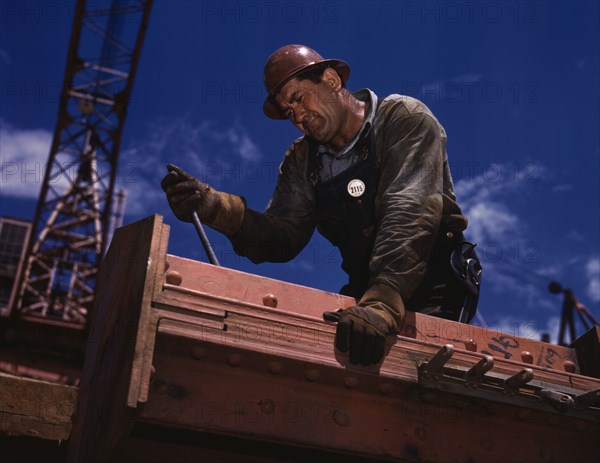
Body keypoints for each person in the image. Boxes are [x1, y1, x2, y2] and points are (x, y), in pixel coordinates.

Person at [161, 44, 482, 366]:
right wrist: (214, 208)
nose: (298, 116)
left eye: (298, 98)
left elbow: (409, 207)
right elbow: (283, 235)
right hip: (366, 295)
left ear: (330, 80)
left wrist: (384, 301)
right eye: (288, 112)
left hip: (431, 289)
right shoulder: (303, 160)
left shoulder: (402, 117)